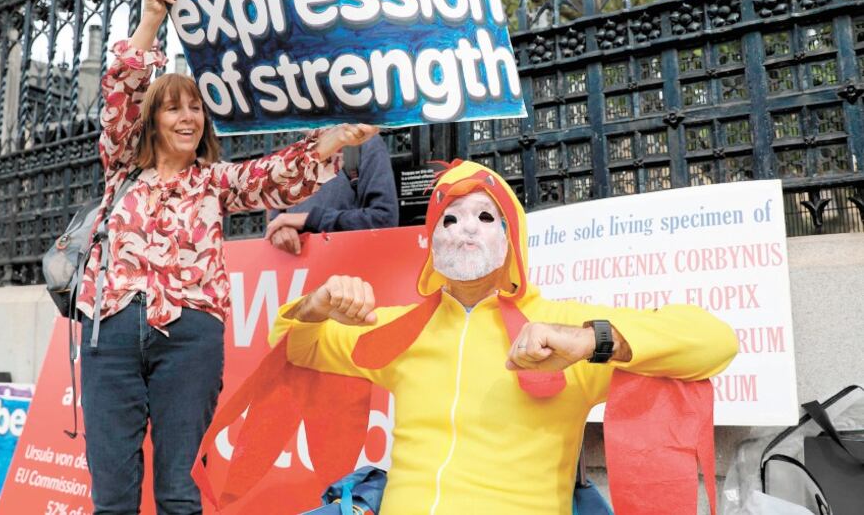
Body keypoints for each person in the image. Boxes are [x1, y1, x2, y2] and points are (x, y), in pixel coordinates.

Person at [195, 159, 738, 513]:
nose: (465, 229)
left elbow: (715, 341)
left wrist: (593, 341)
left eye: (484, 215)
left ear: (513, 233)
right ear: (432, 241)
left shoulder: (561, 328)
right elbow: (295, 343)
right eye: (449, 220)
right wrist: (314, 305)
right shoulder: (402, 328)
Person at [74, 0, 380, 515]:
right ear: (151, 122)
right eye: (173, 107)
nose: (188, 116)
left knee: (179, 489)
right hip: (110, 334)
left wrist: (339, 137)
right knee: (114, 495)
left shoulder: (213, 182)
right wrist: (152, 19)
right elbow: (120, 88)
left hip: (189, 341)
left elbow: (274, 176)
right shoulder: (121, 169)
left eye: (195, 107)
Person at [264, 137, 399, 255]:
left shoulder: (365, 144)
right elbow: (276, 224)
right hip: (299, 276)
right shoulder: (288, 158)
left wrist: (311, 219)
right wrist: (280, 232)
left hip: (350, 274)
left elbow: (384, 219)